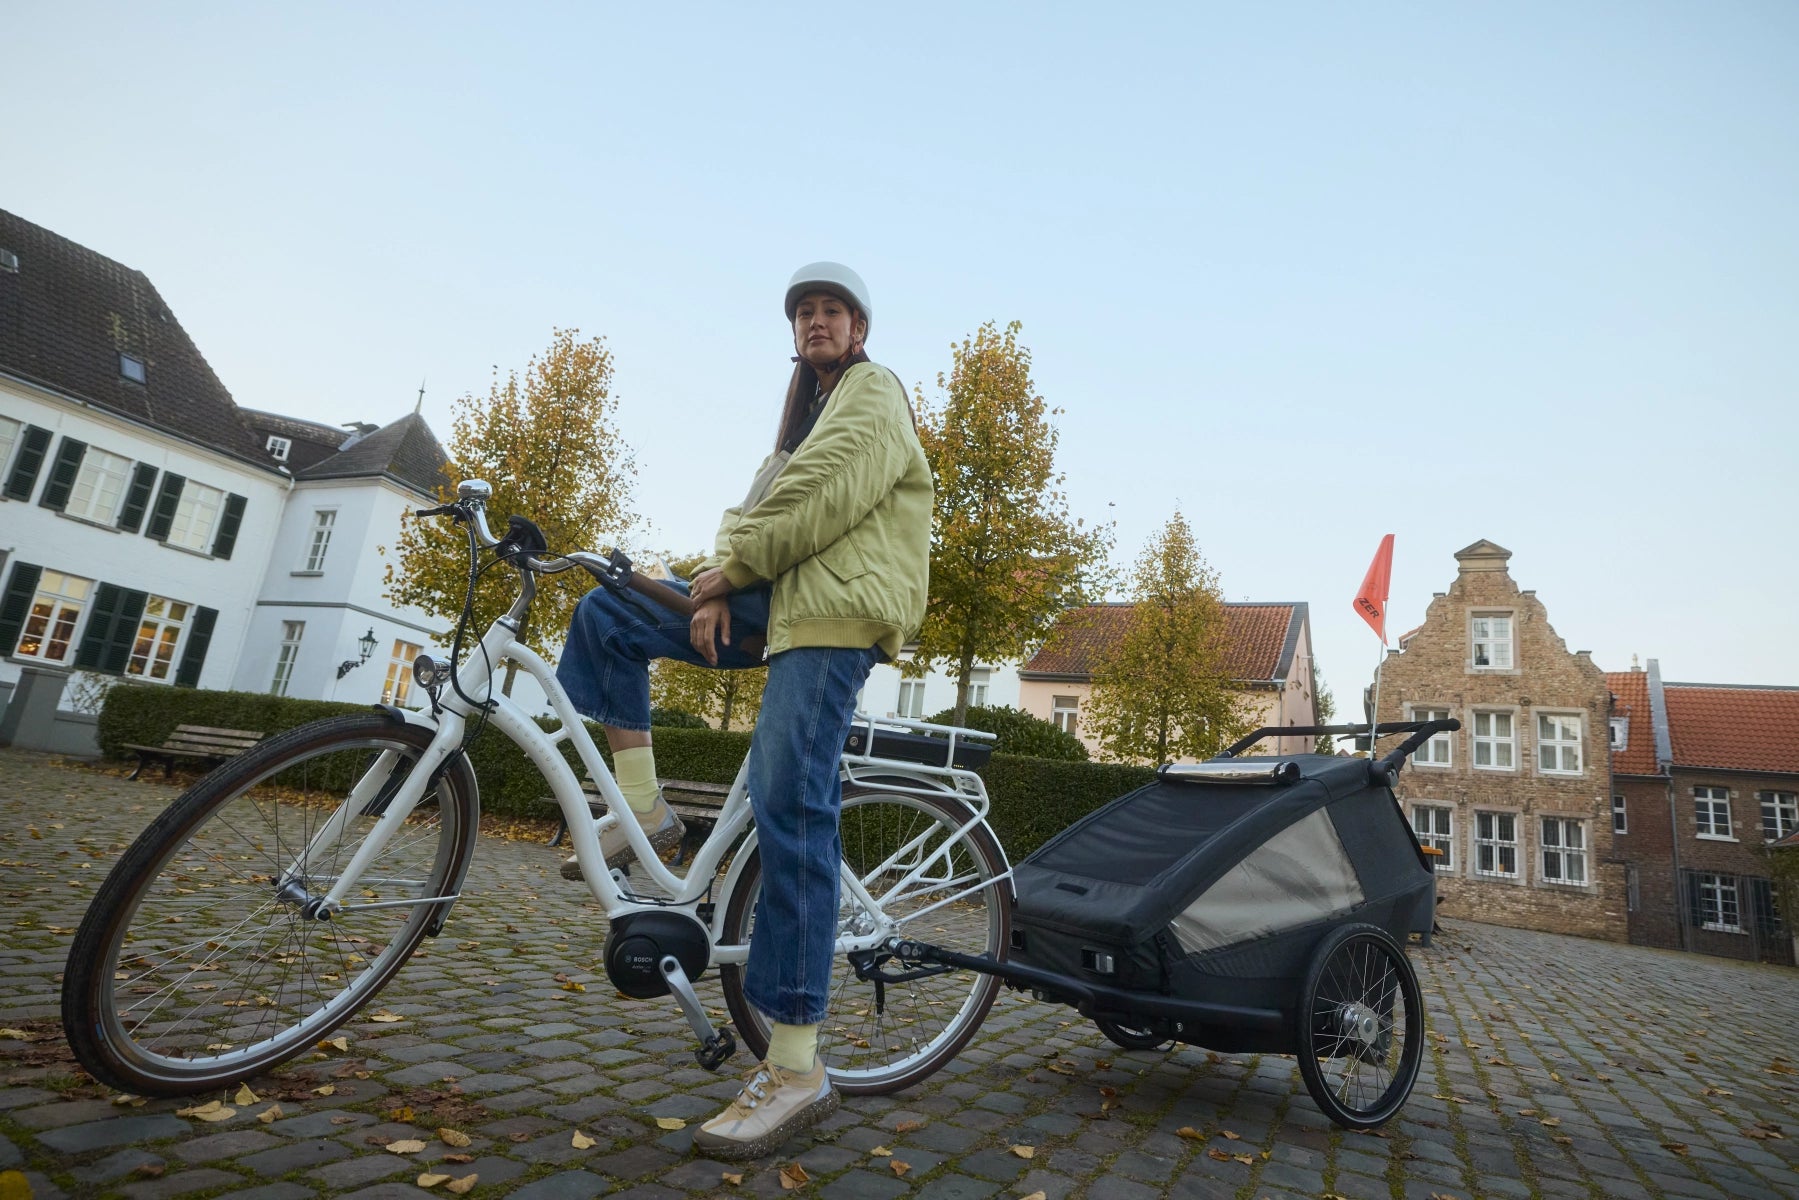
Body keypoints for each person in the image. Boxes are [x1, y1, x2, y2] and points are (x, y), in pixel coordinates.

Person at [553, 262, 933, 1160]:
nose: (815, 321)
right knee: (609, 611)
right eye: (803, 311)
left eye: (831, 309)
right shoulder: (794, 429)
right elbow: (751, 509)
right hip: (779, 593)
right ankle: (644, 807)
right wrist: (715, 586)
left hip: (836, 614)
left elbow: (828, 493)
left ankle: (796, 1064)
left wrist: (732, 573)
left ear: (859, 326)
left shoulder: (874, 393)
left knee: (789, 802)